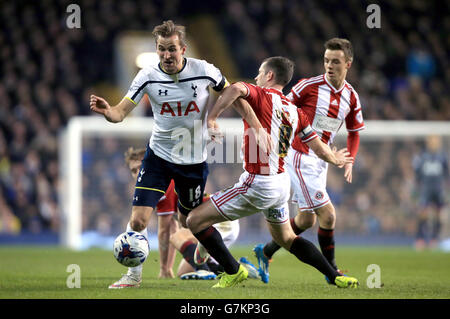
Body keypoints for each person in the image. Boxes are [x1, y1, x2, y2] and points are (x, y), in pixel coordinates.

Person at [91, 20, 262, 289]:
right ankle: (133, 277)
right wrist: (107, 110)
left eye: (171, 49)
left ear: (183, 49)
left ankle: (228, 261)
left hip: (192, 162)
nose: (166, 55)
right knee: (138, 219)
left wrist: (256, 125)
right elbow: (120, 113)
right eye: (161, 49)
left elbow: (235, 93)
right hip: (158, 156)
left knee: (188, 221)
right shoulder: (147, 76)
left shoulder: (204, 70)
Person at [186, 56, 359, 288]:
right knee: (287, 238)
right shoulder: (297, 112)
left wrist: (213, 118)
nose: (256, 77)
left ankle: (233, 270)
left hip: (256, 183)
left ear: (269, 76)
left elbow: (235, 87)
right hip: (280, 185)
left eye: (259, 73)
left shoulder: (262, 95)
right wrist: (334, 158)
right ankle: (334, 274)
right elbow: (318, 148)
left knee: (194, 220)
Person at [254, 38, 365, 283]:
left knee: (306, 219)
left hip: (321, 161)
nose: (329, 66)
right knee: (328, 215)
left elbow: (355, 130)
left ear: (348, 64)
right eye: (326, 60)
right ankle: (332, 272)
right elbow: (281, 107)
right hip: (299, 156)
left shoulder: (351, 96)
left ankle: (266, 251)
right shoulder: (309, 86)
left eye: (335, 62)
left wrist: (350, 159)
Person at [412, 135, 449, 250]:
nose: (433, 143)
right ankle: (420, 239)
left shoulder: (442, 156)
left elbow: (446, 173)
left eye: (435, 141)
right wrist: (417, 189)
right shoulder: (422, 156)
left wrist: (446, 189)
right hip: (426, 190)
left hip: (438, 190)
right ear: (428, 142)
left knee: (438, 215)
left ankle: (434, 239)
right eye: (431, 141)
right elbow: (417, 174)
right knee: (423, 214)